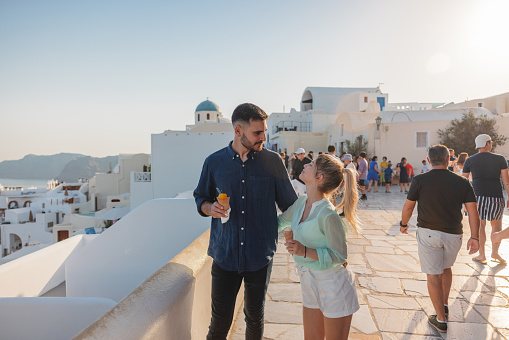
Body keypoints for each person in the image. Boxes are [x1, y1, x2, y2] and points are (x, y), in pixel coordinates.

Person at [194, 103, 298, 339]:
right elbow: (200, 196)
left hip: (259, 255)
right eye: (257, 133)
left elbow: (290, 205)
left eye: (264, 131)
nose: (264, 137)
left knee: (254, 317)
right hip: (224, 253)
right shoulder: (214, 162)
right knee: (219, 323)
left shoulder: (272, 161)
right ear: (238, 131)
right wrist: (211, 207)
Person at [279, 154, 360, 340]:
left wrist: (304, 250)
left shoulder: (328, 215)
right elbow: (279, 222)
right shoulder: (301, 203)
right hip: (308, 279)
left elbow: (339, 256)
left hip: (333, 285)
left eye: (311, 164)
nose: (306, 164)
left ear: (319, 178)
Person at [400, 144, 480, 333]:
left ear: (428, 161)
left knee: (433, 274)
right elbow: (473, 212)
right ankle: (443, 305)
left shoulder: (419, 180)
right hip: (454, 234)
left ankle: (441, 319)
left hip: (429, 233)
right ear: (448, 160)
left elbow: (408, 207)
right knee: (446, 268)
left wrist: (403, 224)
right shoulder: (462, 182)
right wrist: (475, 237)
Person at [462, 134, 509, 264]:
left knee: (481, 225)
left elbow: (464, 181)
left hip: (477, 196)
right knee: (496, 225)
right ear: (488, 143)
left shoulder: (470, 160)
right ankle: (495, 252)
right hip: (496, 196)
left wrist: (462, 199)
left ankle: (481, 254)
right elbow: (506, 182)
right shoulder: (500, 159)